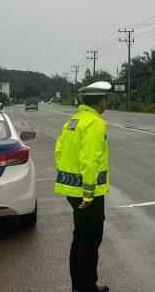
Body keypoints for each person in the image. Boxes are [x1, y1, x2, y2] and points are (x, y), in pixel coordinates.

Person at [54, 81, 112, 292]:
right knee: (90, 239)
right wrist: (88, 194)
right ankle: (87, 286)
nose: (106, 103)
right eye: (105, 99)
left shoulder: (73, 121)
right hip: (88, 194)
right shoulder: (94, 123)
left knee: (79, 236)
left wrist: (68, 177)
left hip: (72, 189)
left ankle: (78, 285)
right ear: (101, 102)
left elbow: (59, 151)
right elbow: (89, 159)